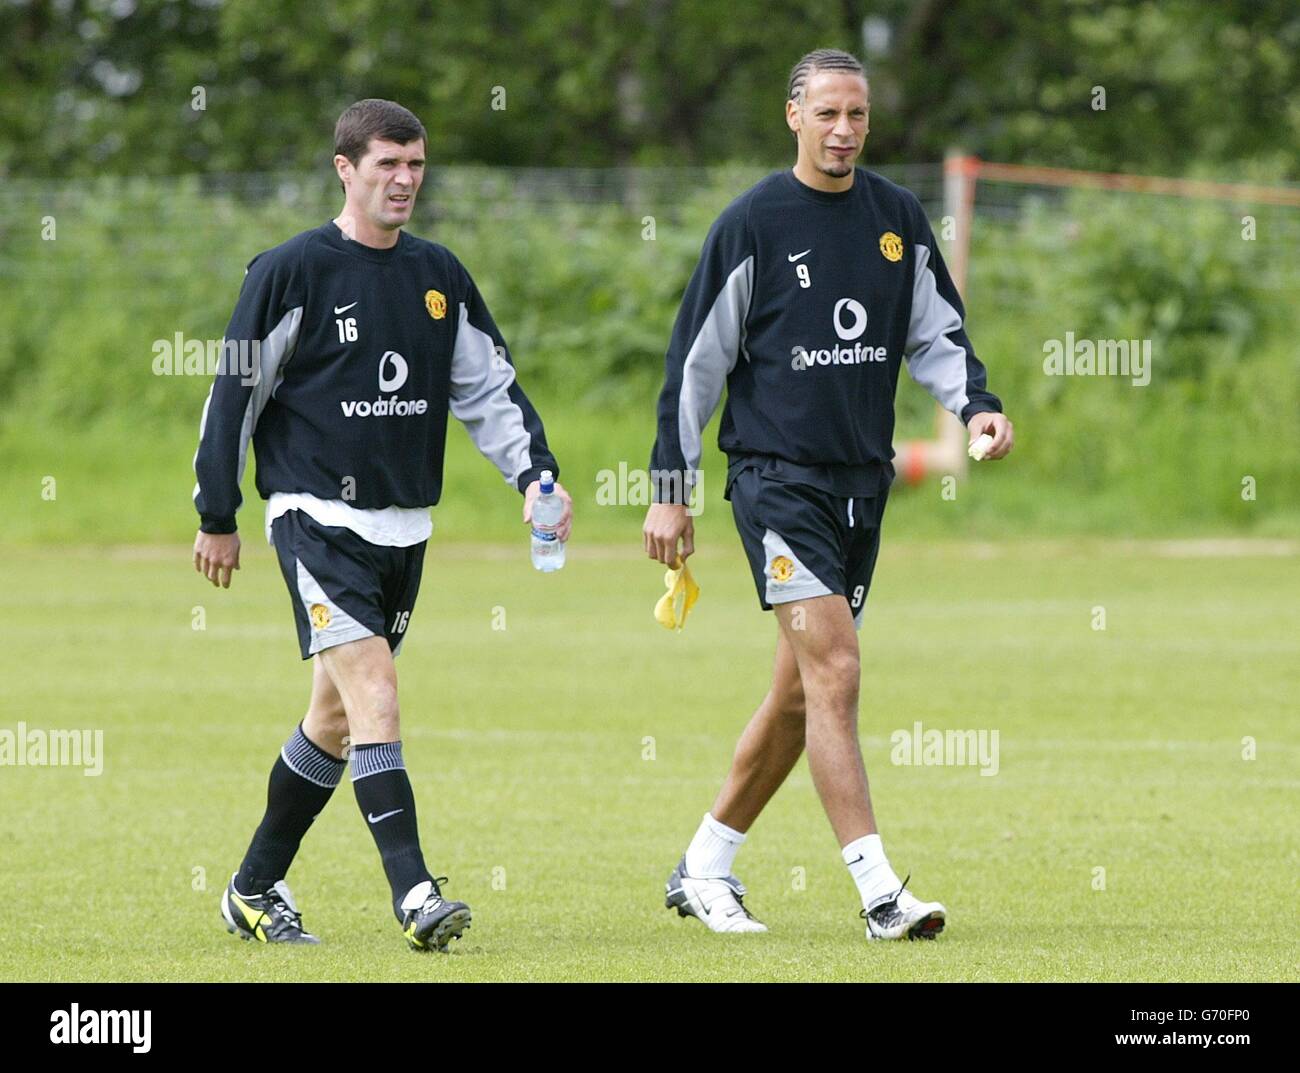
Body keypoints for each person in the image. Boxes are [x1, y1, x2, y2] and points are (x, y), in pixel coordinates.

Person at [643, 49, 1012, 940]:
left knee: (802, 694)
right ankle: (881, 892)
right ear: (793, 116)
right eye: (827, 114)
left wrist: (978, 408)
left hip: (861, 485)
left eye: (858, 116)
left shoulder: (895, 218)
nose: (843, 130)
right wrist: (669, 488)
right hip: (775, 483)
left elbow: (937, 332)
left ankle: (704, 865)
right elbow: (696, 364)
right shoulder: (754, 224)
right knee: (838, 668)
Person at [192, 98, 572, 951]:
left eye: (416, 166)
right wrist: (219, 512)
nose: (404, 181)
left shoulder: (438, 274)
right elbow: (234, 397)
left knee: (333, 719)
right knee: (376, 692)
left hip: (405, 528)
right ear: (346, 169)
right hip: (313, 515)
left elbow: (488, 387)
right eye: (387, 165)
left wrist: (537, 476)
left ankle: (252, 888)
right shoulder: (291, 272)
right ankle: (415, 894)